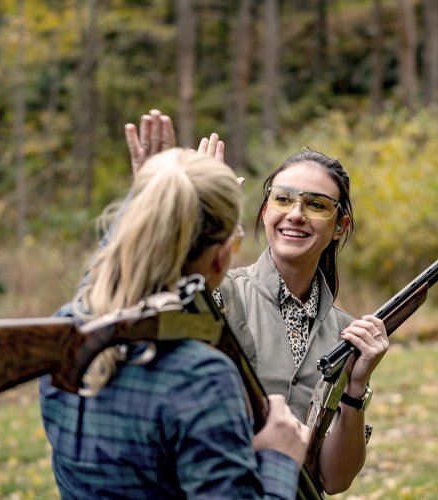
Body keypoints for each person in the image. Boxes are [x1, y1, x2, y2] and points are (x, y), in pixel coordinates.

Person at [121, 112, 390, 494]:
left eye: (316, 204)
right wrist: (186, 215)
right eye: (283, 199)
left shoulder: (345, 334)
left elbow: (334, 480)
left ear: (340, 226)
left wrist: (356, 386)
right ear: (265, 211)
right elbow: (159, 295)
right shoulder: (218, 291)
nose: (295, 214)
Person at [39, 147, 311, 499]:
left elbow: (102, 273)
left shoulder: (62, 331)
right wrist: (280, 457)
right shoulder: (200, 378)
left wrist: (156, 191)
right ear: (220, 257)